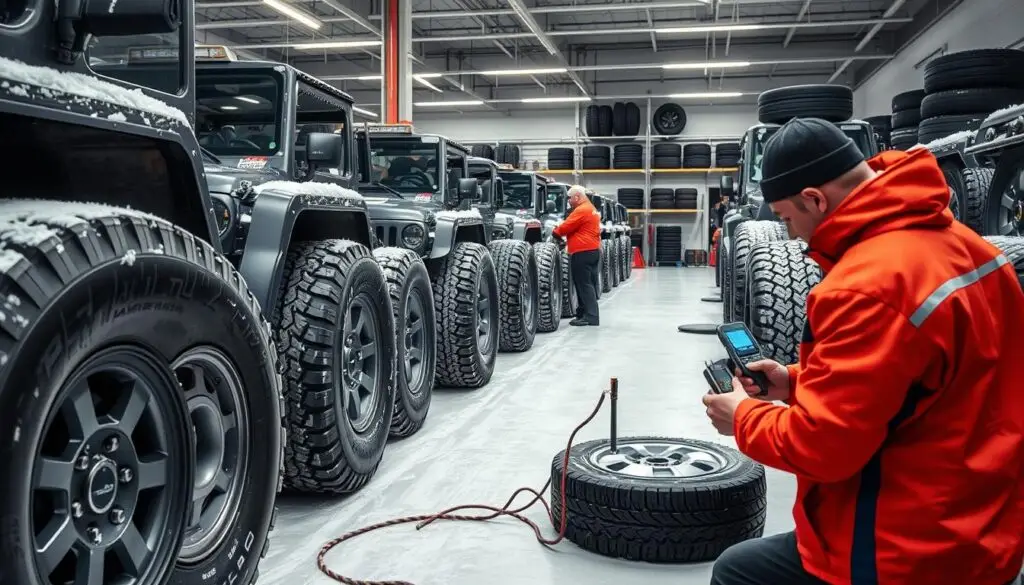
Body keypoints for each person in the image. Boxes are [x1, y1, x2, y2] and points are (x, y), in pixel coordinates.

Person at [701, 117, 1024, 585]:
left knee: (737, 574)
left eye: (788, 218)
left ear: (815, 199)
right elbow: (916, 378)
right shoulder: (974, 249)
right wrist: (794, 382)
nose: (790, 236)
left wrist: (743, 418)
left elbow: (823, 447)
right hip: (986, 522)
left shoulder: (865, 286)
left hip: (907, 547)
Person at [552, 185, 602, 326]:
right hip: (592, 250)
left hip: (583, 252)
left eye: (570, 198)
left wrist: (555, 233)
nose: (568, 201)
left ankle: (591, 317)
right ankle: (583, 314)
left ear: (577, 197)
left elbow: (566, 226)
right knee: (587, 284)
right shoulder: (590, 208)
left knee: (584, 285)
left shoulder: (581, 210)